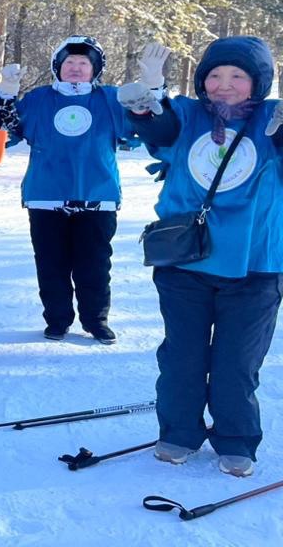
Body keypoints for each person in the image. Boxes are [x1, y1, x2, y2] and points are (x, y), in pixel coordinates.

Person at [117, 36, 283, 478]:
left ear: (258, 82)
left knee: (236, 363)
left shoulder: (272, 116)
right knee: (182, 357)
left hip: (254, 266)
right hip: (185, 261)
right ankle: (179, 431)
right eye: (214, 75)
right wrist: (150, 97)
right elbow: (158, 128)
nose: (223, 85)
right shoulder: (189, 113)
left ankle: (235, 438)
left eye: (236, 76)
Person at [0, 36, 132, 344]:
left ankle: (96, 320)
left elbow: (140, 131)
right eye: (69, 63)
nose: (76, 68)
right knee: (51, 263)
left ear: (95, 69)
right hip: (47, 195)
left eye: (83, 63)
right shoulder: (40, 99)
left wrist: (148, 96)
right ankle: (57, 318)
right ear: (58, 67)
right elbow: (4, 125)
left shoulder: (110, 98)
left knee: (94, 264)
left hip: (97, 195)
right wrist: (6, 93)